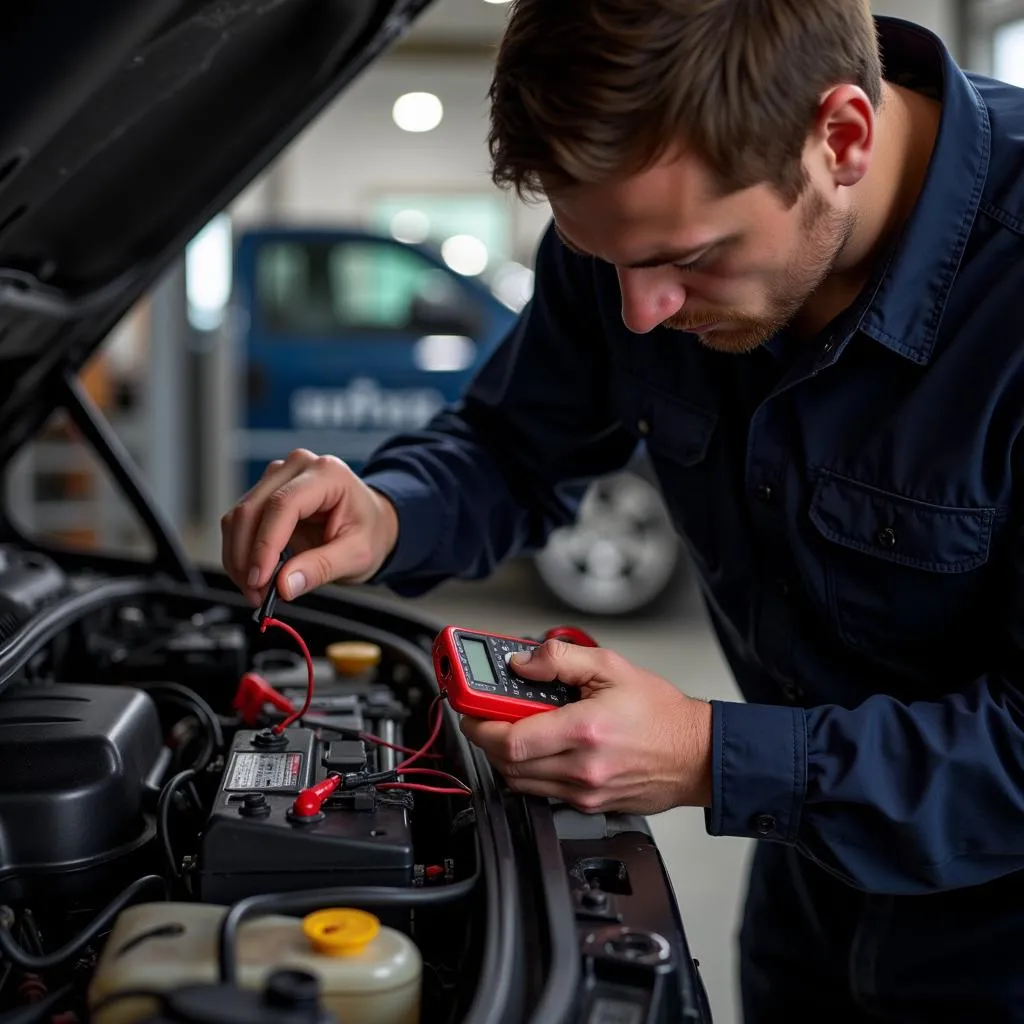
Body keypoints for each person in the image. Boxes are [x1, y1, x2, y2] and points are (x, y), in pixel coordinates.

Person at [221, 1, 1024, 1019]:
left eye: (689, 258)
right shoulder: (636, 228)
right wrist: (384, 509)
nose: (641, 311)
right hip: (809, 871)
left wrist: (702, 752)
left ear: (842, 138)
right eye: (608, 262)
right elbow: (511, 445)